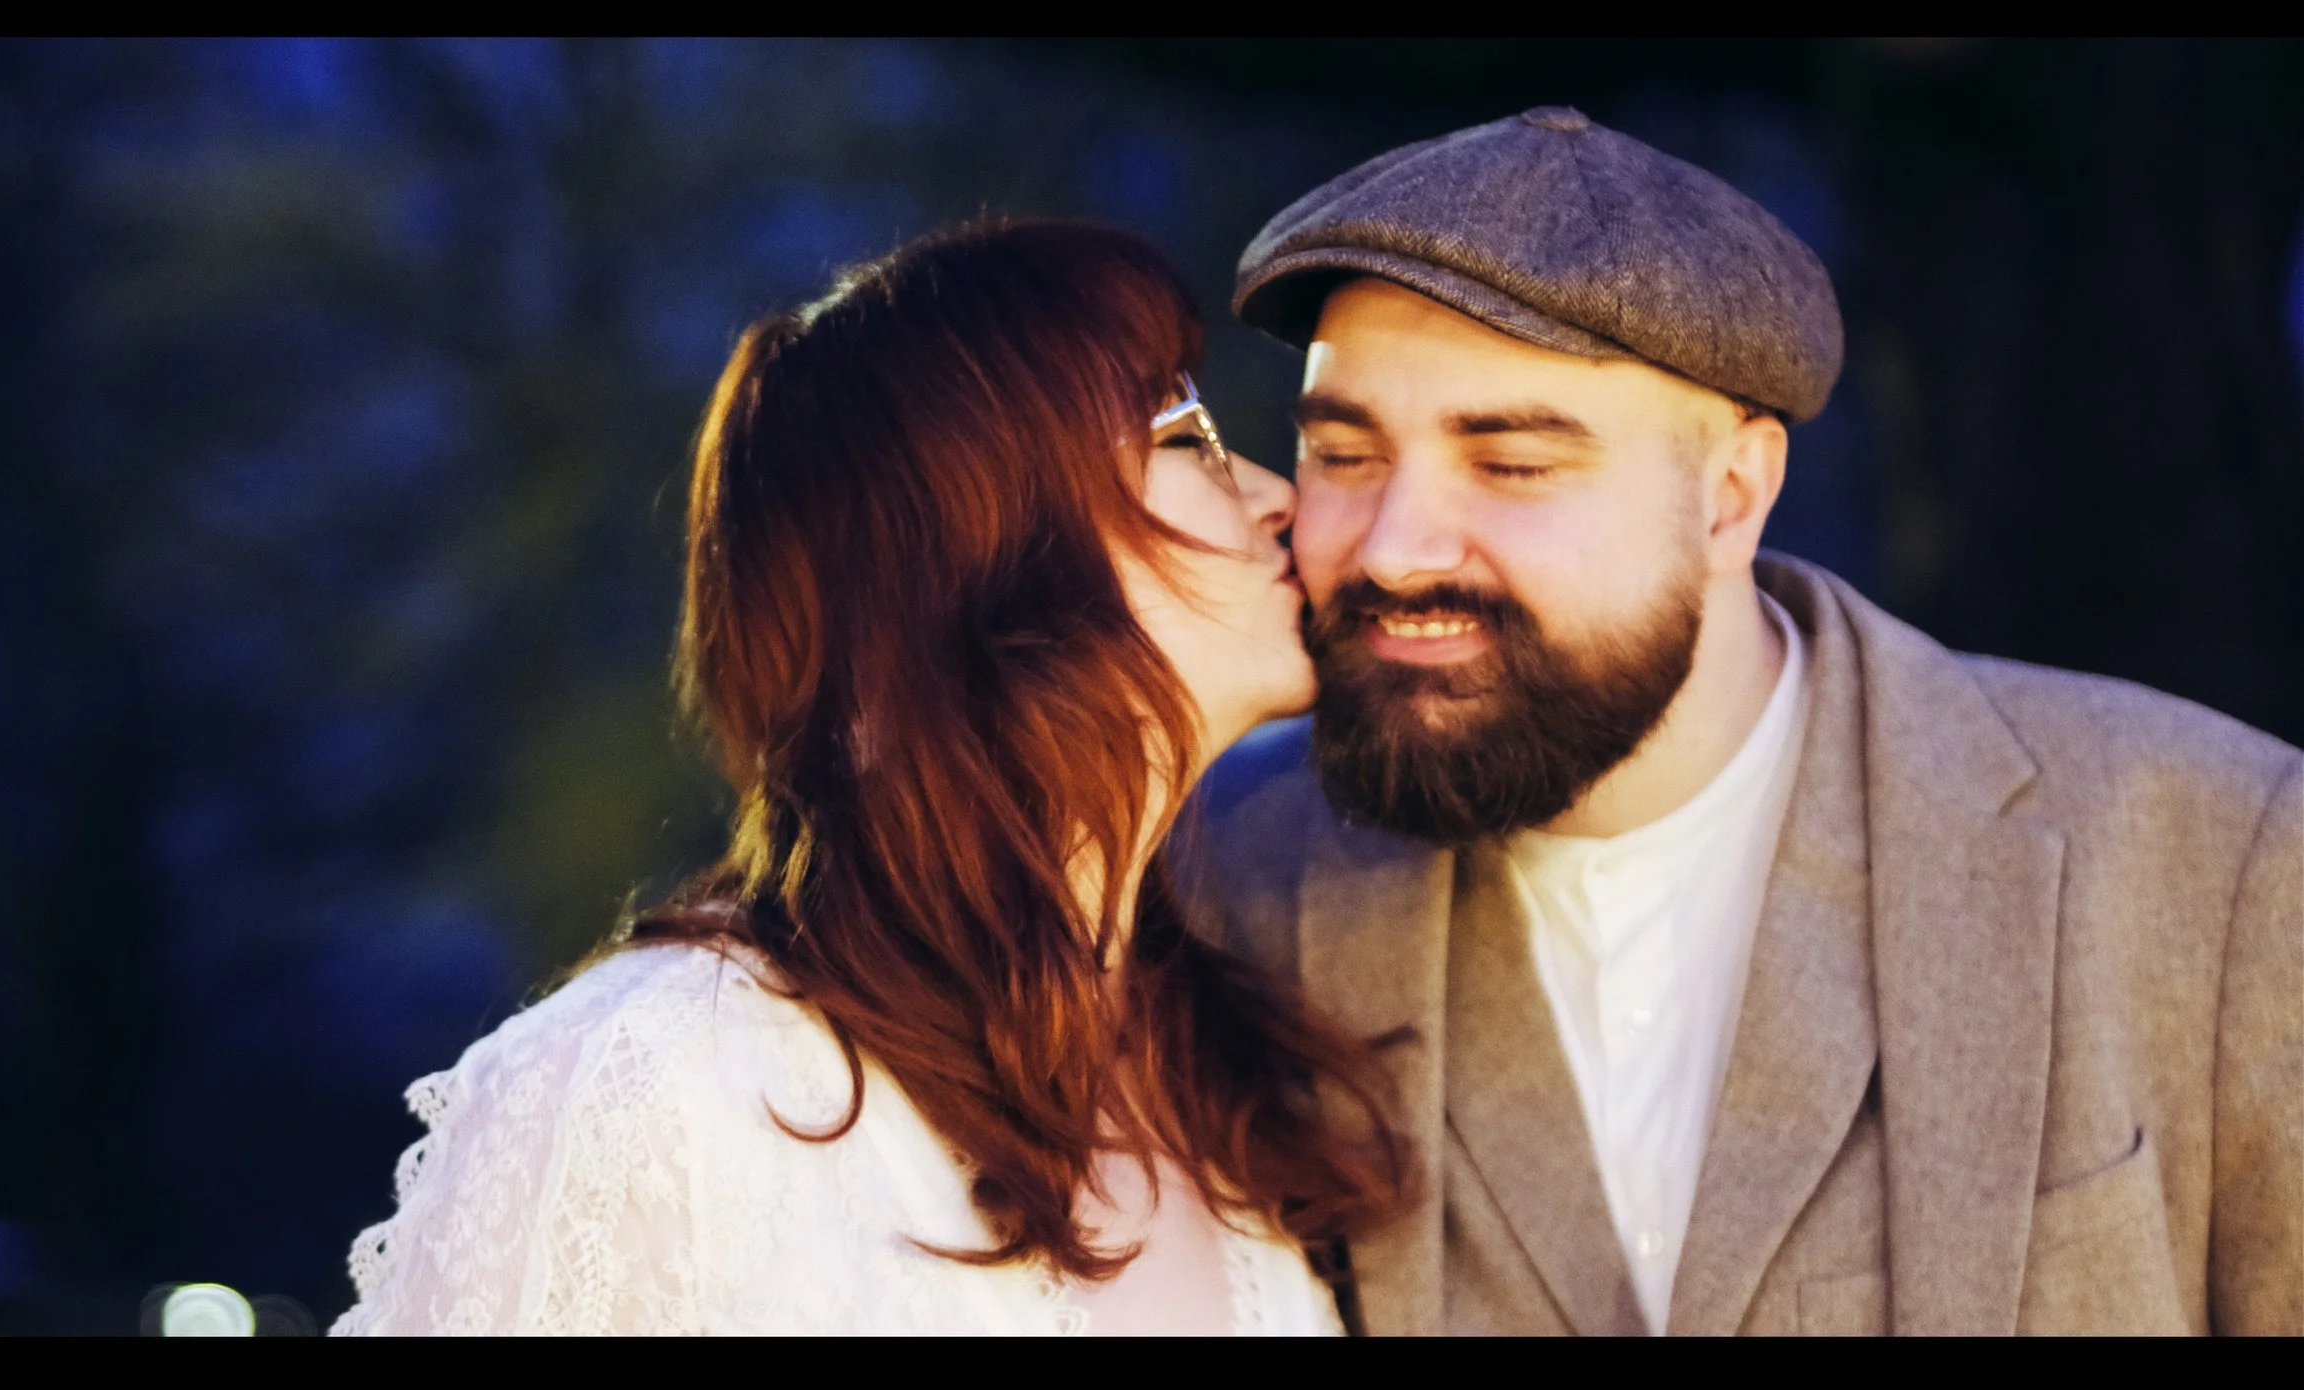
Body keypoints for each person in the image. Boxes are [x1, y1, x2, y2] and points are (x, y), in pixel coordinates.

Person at [1183, 106, 2301, 1335]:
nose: (1393, 548)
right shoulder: (1216, 873)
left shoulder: (2220, 852)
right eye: (1344, 454)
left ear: (1730, 499)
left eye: (1509, 464)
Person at [331, 219, 1406, 1335]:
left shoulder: (1225, 1094)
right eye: (1184, 432)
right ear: (982, 550)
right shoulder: (648, 1095)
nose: (1275, 493)